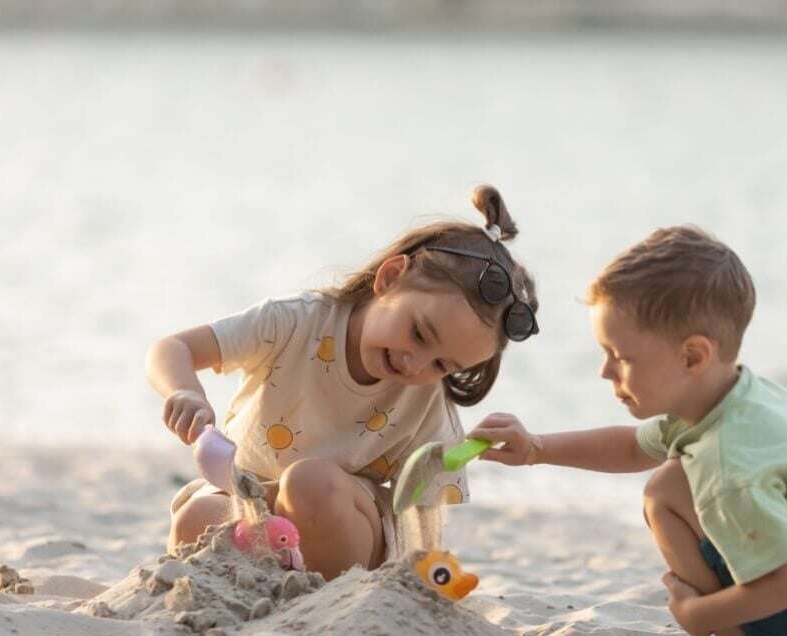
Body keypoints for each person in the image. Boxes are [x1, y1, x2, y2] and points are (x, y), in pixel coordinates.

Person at [470, 226, 787, 636]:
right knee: (674, 476)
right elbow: (632, 447)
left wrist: (700, 616)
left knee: (665, 492)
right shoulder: (738, 398)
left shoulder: (727, 462)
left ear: (693, 356)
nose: (605, 371)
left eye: (621, 356)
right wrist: (536, 448)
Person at [146, 185, 539, 580]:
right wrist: (184, 391)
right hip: (247, 495)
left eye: (442, 364)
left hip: (342, 522)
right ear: (389, 278)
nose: (415, 363)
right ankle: (270, 575)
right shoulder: (294, 322)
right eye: (418, 334)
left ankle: (323, 592)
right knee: (197, 518)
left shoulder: (427, 403)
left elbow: (424, 525)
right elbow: (173, 347)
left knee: (308, 482)